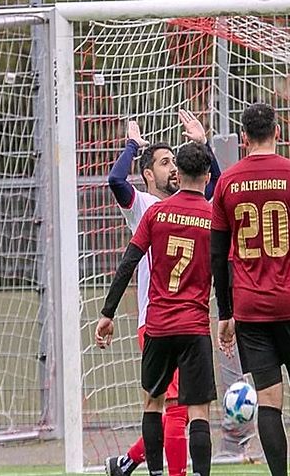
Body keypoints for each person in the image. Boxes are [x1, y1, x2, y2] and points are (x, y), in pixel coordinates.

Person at [210, 102, 290, 476]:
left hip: (249, 308)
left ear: (243, 137)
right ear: (277, 132)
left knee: (268, 400)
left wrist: (225, 313)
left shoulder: (228, 182)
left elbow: (218, 257)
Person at [105, 111, 221, 476]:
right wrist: (133, 145)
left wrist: (203, 146)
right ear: (147, 174)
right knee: (175, 407)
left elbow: (213, 187)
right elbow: (114, 179)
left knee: (172, 407)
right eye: (164, 162)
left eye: (175, 161)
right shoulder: (142, 206)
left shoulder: (191, 206)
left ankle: (127, 461)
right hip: (155, 318)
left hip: (169, 320)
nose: (171, 168)